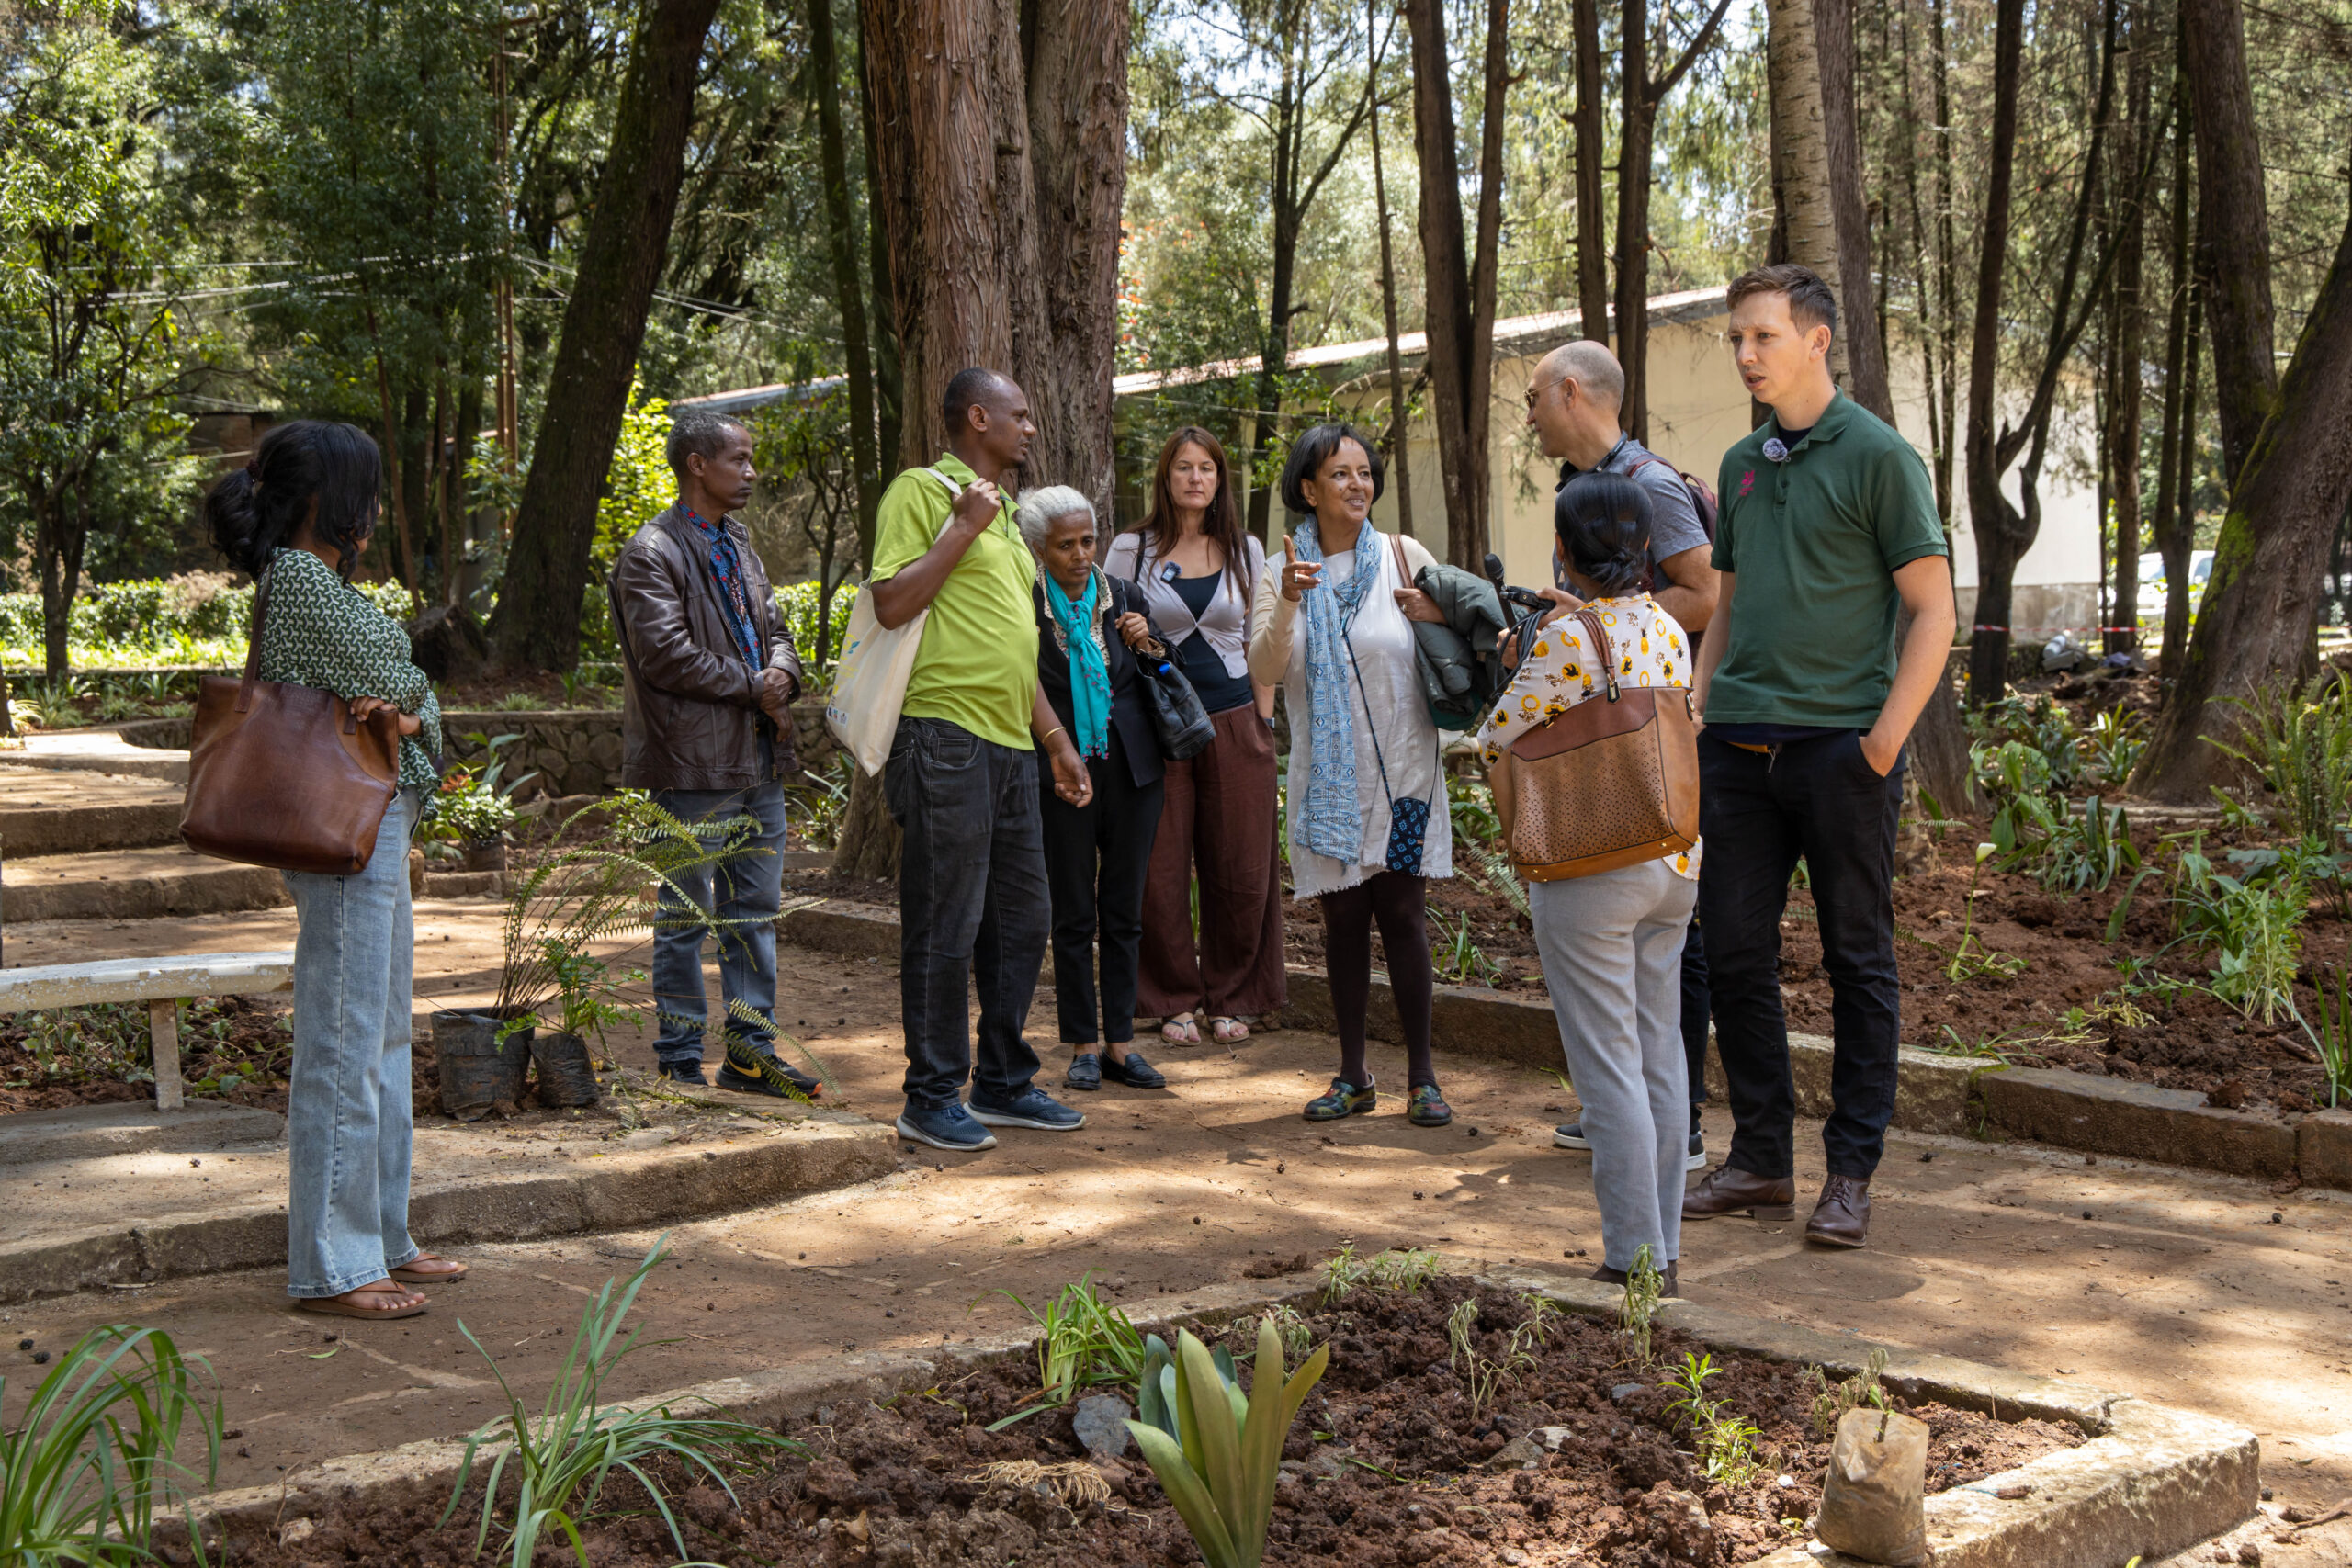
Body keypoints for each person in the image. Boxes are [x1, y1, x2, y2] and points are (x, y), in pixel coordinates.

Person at [1686, 263, 1957, 1249]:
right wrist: (1699, 706)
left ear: (1816, 340)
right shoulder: (1739, 463)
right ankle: (1759, 1159)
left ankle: (1849, 1173)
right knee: (1734, 957)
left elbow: (1933, 612)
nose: (1745, 354)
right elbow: (1725, 601)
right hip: (1736, 754)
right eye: (1736, 339)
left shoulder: (1881, 458)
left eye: (1760, 336)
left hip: (1840, 755)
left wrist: (1880, 744)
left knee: (1856, 963)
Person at [204, 420, 462, 1320]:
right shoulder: (305, 584)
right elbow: (408, 681)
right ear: (330, 501)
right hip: (347, 827)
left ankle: (383, 1236)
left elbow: (407, 687)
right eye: (369, 491)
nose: (379, 509)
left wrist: (410, 695)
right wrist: (414, 698)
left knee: (383, 1036)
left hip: (373, 821)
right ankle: (335, 1263)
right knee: (346, 1042)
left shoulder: (312, 584)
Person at [1477, 473, 1699, 1292]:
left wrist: (1517, 659)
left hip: (1590, 865)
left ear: (1565, 551)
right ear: (1643, 547)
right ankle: (1665, 1250)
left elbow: (1495, 738)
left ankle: (1633, 1258)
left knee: (1606, 1064)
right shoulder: (1669, 628)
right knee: (1658, 1055)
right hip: (1672, 858)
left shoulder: (1568, 641)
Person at [870, 367, 1091, 1153]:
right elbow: (893, 601)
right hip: (944, 736)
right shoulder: (925, 493)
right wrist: (958, 527)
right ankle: (930, 1095)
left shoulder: (1005, 520)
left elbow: (1014, 647)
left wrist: (1057, 741)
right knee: (945, 919)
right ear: (977, 417)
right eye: (1018, 416)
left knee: (1021, 918)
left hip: (1008, 745)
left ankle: (1001, 1080)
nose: (1030, 428)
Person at [1524, 338, 1719, 1174]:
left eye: (1534, 397)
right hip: (1614, 757)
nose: (1528, 414)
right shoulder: (1587, 487)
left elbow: (1706, 591)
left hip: (1649, 756)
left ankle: (1680, 1131)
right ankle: (1662, 1133)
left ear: (1573, 392)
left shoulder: (1653, 486)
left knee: (1669, 963)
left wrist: (1603, 623)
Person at [1248, 423, 1456, 1128]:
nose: (1358, 484)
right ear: (1308, 489)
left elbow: (1452, 634)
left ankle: (1423, 1079)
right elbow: (1265, 673)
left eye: (1364, 472)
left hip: (1403, 775)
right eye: (1340, 474)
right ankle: (1352, 1075)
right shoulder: (1280, 572)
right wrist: (1286, 600)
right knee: (1343, 922)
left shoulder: (1403, 555)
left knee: (1402, 915)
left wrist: (1434, 613)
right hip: (1327, 782)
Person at [609, 410, 811, 1100]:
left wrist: (782, 671)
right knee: (686, 918)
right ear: (698, 464)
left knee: (753, 915)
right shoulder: (652, 552)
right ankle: (679, 1059)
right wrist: (757, 685)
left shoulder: (739, 543)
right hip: (693, 766)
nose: (752, 472)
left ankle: (750, 1055)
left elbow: (775, 628)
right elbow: (664, 655)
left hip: (757, 758)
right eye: (740, 460)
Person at [1102, 430, 1283, 1047]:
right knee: (1161, 865)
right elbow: (1101, 626)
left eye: (1207, 467)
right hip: (1160, 725)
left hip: (1235, 718)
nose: (1195, 478)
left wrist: (1263, 714)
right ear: (1165, 476)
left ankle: (1233, 995)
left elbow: (1264, 632)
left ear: (1220, 480)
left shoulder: (1244, 547)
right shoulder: (1132, 548)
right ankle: (1172, 997)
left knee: (1241, 865)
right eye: (1183, 467)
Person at [1022, 486, 1170, 1093]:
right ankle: (1083, 1043)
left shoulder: (1125, 597)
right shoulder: (1029, 608)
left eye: (1088, 540)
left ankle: (1121, 1045)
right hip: (1063, 773)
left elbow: (1166, 673)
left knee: (1125, 910)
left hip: (1133, 770)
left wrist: (1147, 641)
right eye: (1066, 544)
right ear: (1040, 549)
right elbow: (1021, 685)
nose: (1082, 554)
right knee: (1074, 912)